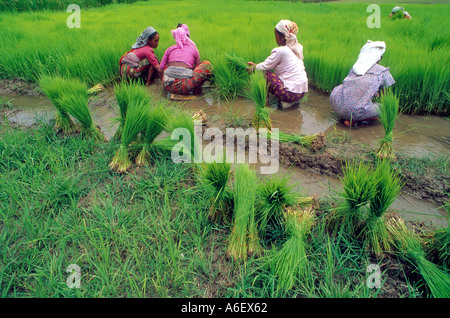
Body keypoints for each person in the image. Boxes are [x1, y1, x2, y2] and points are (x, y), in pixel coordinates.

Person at [329, 40, 395, 127]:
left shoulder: (356, 67)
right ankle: (352, 120)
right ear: (380, 57)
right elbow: (385, 96)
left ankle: (349, 115)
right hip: (352, 111)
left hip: (336, 103)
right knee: (386, 109)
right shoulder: (382, 71)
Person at [247, 19, 308, 108]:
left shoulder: (281, 51)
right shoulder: (296, 48)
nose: (275, 37)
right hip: (301, 93)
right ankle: (289, 102)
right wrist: (256, 65)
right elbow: (267, 64)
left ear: (283, 37)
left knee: (263, 73)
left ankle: (265, 104)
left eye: (276, 35)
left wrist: (253, 68)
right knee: (267, 71)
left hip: (289, 95)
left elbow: (264, 66)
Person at [160, 24, 212, 96]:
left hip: (168, 85)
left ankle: (166, 89)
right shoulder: (194, 50)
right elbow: (197, 65)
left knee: (167, 65)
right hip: (185, 86)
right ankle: (197, 90)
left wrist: (163, 83)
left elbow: (161, 68)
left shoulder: (169, 49)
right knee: (206, 64)